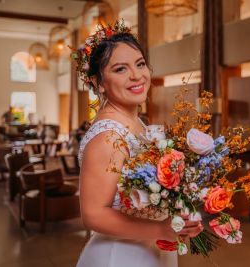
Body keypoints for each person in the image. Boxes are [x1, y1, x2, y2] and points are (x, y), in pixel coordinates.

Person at [75, 21, 203, 267]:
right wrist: (161, 229)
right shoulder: (107, 137)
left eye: (140, 64)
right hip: (121, 256)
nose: (137, 75)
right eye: (120, 69)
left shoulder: (140, 124)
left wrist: (179, 216)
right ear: (98, 82)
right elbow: (93, 214)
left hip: (151, 247)